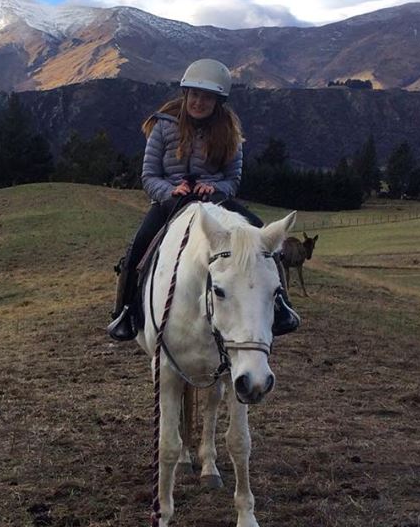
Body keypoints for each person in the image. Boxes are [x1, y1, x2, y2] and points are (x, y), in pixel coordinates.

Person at [107, 58, 300, 342]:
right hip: (171, 201)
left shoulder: (230, 132)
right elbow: (149, 175)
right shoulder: (162, 126)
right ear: (185, 94)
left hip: (215, 202)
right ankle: (125, 311)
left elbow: (233, 179)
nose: (199, 102)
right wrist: (169, 191)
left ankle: (281, 305)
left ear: (217, 101)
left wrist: (215, 187)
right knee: (138, 248)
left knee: (264, 241)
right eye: (194, 95)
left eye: (207, 97)